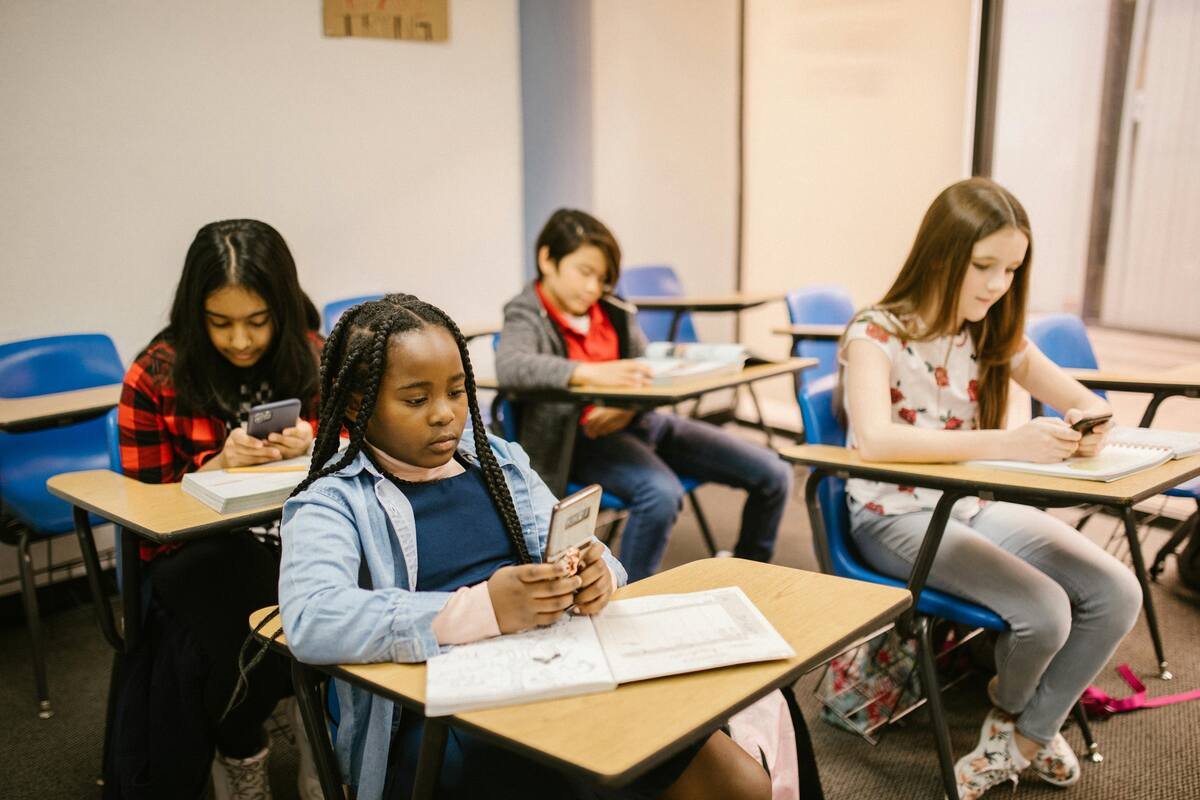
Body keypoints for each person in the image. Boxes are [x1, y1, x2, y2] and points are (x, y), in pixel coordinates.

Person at [278, 294, 772, 800]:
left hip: (551, 668)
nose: (446, 415)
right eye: (415, 399)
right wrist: (483, 609)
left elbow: (580, 547)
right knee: (596, 767)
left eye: (456, 391)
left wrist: (597, 575)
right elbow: (312, 618)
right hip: (441, 715)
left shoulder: (497, 461)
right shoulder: (332, 501)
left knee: (738, 780)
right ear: (358, 405)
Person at [839, 178, 1142, 799]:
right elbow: (874, 440)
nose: (997, 284)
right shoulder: (874, 333)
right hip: (891, 513)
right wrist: (1007, 442)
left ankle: (1020, 733)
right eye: (984, 266)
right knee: (1045, 613)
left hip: (969, 507)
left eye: (1010, 269)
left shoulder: (990, 330)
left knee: (1116, 590)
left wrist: (1089, 424)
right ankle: (1019, 720)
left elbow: (1081, 398)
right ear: (940, 254)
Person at [118, 218, 323, 799]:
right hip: (197, 549)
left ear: (282, 308)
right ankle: (246, 751)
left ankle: (302, 736)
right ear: (193, 313)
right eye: (220, 323)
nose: (240, 340)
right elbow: (146, 521)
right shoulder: (156, 375)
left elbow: (367, 466)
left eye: (257, 321)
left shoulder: (313, 355)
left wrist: (316, 441)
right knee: (242, 610)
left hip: (297, 531)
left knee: (324, 578)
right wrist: (214, 470)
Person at [496, 209, 793, 581]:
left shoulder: (612, 311)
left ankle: (751, 569)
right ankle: (626, 594)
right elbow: (513, 366)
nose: (592, 288)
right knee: (660, 495)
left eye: (602, 278)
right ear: (547, 259)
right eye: (584, 272)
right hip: (582, 440)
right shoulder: (526, 313)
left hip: (641, 423)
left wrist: (628, 408)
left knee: (774, 474)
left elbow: (647, 370)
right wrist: (592, 373)